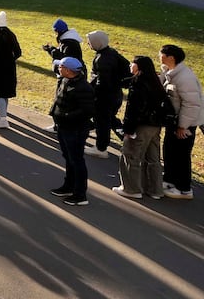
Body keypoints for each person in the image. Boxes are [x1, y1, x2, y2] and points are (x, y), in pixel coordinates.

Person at [114, 56, 167, 199]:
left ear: (139, 67)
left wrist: (128, 130)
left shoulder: (138, 84)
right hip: (155, 126)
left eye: (133, 63)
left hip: (140, 125)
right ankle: (155, 190)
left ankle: (131, 189)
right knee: (153, 158)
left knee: (130, 155)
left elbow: (134, 109)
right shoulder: (155, 82)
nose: (131, 65)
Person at [49, 56, 95, 207]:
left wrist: (66, 116)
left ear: (68, 70)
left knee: (76, 160)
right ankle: (68, 186)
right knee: (68, 158)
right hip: (64, 127)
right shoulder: (64, 80)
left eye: (61, 67)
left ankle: (80, 194)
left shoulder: (83, 88)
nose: (58, 68)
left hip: (75, 129)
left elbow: (86, 110)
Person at [159, 44, 202, 199]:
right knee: (170, 150)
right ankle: (169, 180)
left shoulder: (185, 78)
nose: (159, 57)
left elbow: (191, 104)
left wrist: (183, 126)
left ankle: (184, 189)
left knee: (181, 154)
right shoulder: (170, 72)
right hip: (174, 122)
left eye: (161, 54)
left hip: (185, 124)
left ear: (171, 58)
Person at [85, 30, 130, 159]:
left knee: (102, 122)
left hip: (105, 97)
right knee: (110, 119)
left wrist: (94, 94)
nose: (88, 44)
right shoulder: (112, 53)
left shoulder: (102, 59)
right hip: (115, 94)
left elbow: (102, 81)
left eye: (90, 42)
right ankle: (128, 140)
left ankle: (101, 148)